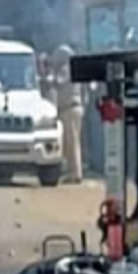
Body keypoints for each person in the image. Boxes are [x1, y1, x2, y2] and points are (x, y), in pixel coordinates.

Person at [50, 45, 84, 184]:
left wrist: (49, 78)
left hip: (69, 109)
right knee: (71, 142)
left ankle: (75, 173)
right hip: (72, 109)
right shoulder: (73, 69)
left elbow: (57, 82)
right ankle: (72, 171)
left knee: (71, 143)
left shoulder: (66, 69)